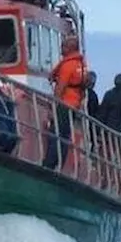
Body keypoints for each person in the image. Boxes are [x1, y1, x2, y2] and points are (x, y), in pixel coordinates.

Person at [42, 35, 86, 169]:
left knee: (56, 133)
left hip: (64, 104)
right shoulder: (81, 65)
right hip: (74, 105)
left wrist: (52, 108)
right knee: (65, 135)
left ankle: (49, 163)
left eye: (63, 46)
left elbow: (60, 88)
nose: (61, 49)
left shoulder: (67, 66)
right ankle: (59, 162)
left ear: (69, 48)